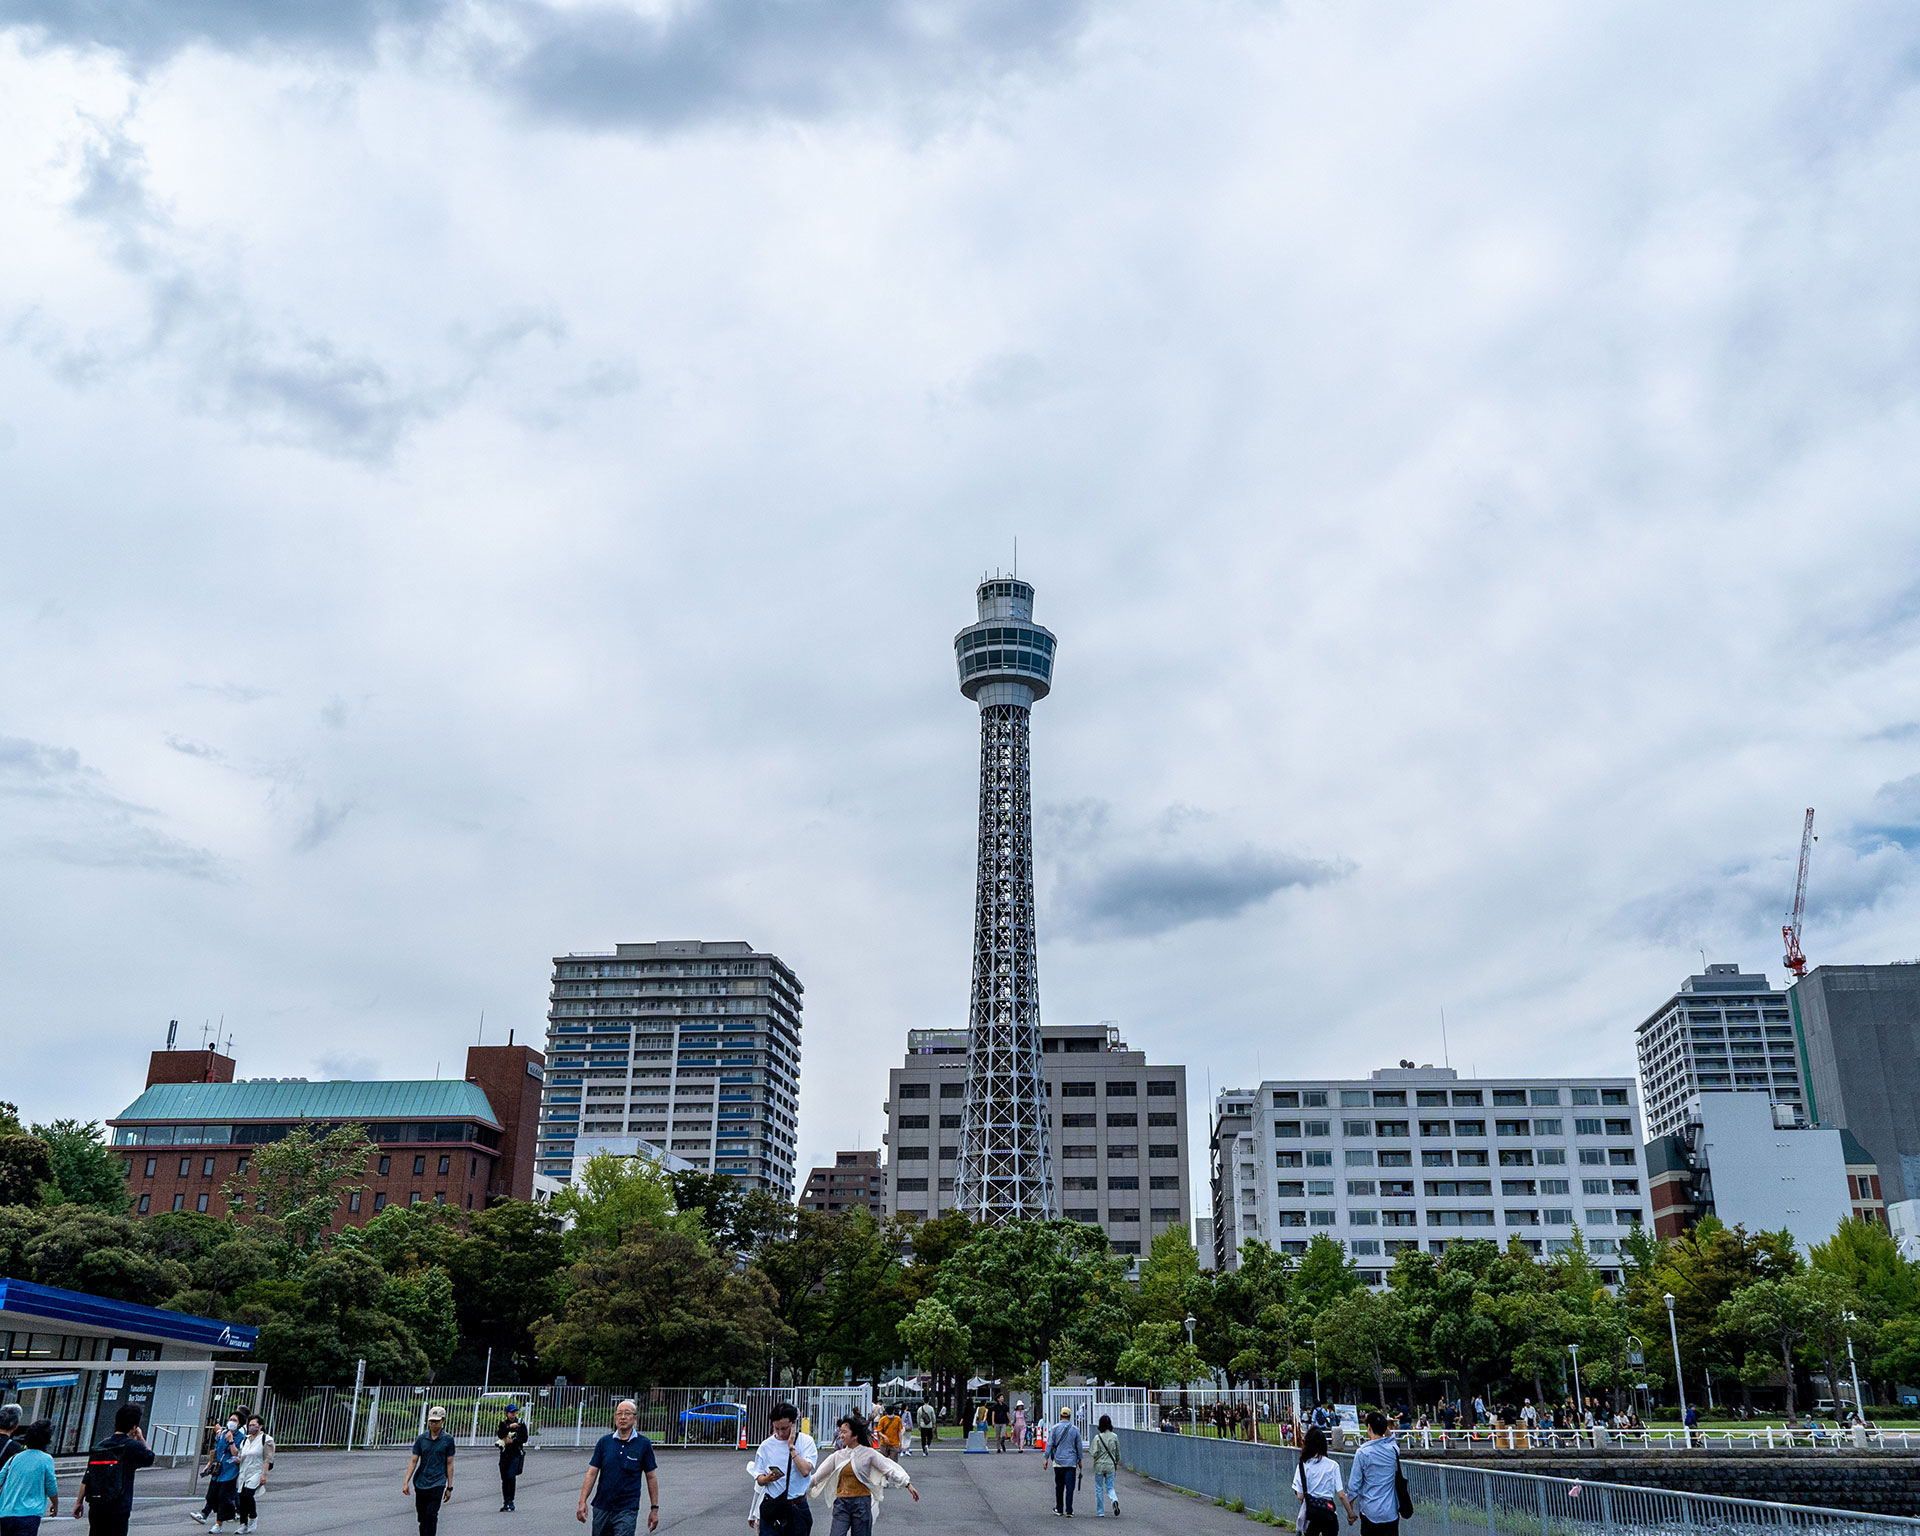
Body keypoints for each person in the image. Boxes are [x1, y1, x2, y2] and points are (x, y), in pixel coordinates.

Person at [807, 1417, 917, 1536]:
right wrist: (799, 1490)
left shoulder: (869, 1454)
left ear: (855, 1436)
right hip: (841, 1503)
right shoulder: (837, 1456)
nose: (841, 1435)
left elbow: (889, 1468)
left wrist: (907, 1484)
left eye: (844, 1432)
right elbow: (817, 1477)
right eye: (840, 1432)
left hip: (861, 1504)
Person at [577, 1399, 658, 1536]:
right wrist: (582, 1501)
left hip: (627, 1509)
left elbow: (651, 1477)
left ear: (635, 1418)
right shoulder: (604, 1443)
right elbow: (592, 1473)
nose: (623, 1417)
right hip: (602, 1507)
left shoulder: (643, 1444)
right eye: (619, 1413)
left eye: (627, 1413)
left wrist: (654, 1508)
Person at [76, 1404, 155, 1536]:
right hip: (119, 1506)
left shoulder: (100, 1446)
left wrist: (79, 1502)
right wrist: (140, 1439)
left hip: (97, 1505)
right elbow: (150, 1458)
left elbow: (88, 1476)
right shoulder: (132, 1446)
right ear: (134, 1427)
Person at [753, 1402, 817, 1536]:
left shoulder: (806, 1442)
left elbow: (805, 1471)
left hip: (796, 1507)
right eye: (776, 1428)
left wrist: (791, 1447)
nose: (780, 1433)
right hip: (773, 1506)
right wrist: (767, 1479)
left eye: (785, 1428)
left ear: (794, 1423)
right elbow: (758, 1478)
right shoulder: (766, 1446)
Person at [1344, 1413, 1400, 1536]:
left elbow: (1354, 1486)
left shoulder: (1363, 1452)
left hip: (1370, 1511)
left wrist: (1350, 1512)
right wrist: (1382, 1423)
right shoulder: (1393, 1449)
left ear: (1369, 1428)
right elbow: (1391, 1438)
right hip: (1390, 1511)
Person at [403, 1407, 456, 1536]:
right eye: (431, 1421)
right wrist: (406, 1482)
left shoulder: (448, 1440)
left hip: (437, 1482)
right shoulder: (422, 1439)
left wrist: (449, 1487)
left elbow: (450, 1464)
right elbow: (414, 1461)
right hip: (421, 1482)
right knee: (422, 1517)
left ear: (443, 1421)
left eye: (436, 1421)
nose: (433, 1424)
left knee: (431, 1514)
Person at [0, 1419, 57, 1536]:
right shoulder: (46, 1459)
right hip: (29, 1513)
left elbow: (0, 1478)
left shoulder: (14, 1458)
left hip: (6, 1512)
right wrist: (55, 1504)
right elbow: (51, 1485)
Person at [1291, 1428, 1352, 1536]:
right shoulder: (1333, 1465)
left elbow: (1300, 1496)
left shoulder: (1302, 1466)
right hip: (1329, 1512)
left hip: (1311, 1514)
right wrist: (1350, 1513)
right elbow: (1341, 1495)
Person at [195, 1414, 244, 1531]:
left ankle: (219, 1523)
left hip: (230, 1471)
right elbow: (216, 1451)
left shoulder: (240, 1437)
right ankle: (231, 1511)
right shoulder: (222, 1434)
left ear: (239, 1424)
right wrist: (209, 1465)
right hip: (218, 1470)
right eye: (230, 1419)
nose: (231, 1422)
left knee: (223, 1496)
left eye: (234, 1420)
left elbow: (236, 1453)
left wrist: (231, 1441)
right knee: (211, 1496)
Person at [235, 1414, 274, 1533]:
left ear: (260, 1426)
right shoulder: (245, 1440)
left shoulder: (266, 1439)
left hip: (257, 1471)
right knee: (241, 1497)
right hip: (244, 1471)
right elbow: (241, 1455)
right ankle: (243, 1523)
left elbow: (268, 1458)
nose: (252, 1427)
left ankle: (253, 1517)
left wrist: (264, 1475)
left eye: (254, 1425)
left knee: (248, 1495)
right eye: (250, 1425)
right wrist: (237, 1459)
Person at [1043, 1407, 1082, 1518]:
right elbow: (1078, 1445)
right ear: (1069, 1417)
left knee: (1059, 1486)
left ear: (1060, 1416)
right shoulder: (1074, 1429)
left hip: (1058, 1461)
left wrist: (1046, 1458)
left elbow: (1049, 1444)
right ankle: (1069, 1510)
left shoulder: (1054, 1428)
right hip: (1071, 1461)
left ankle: (1059, 1508)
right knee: (1070, 1487)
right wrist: (1080, 1459)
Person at [1088, 1415, 1121, 1519]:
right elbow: (1118, 1453)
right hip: (1110, 1465)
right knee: (1110, 1487)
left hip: (1099, 1466)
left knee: (1099, 1488)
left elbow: (1093, 1453)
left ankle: (1100, 1511)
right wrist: (1116, 1462)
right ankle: (1114, 1499)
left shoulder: (1098, 1438)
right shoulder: (1114, 1437)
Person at [497, 1405, 529, 1512]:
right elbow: (500, 1434)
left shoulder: (520, 1423)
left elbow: (524, 1438)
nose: (513, 1414)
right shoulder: (503, 1424)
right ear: (507, 1413)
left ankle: (511, 1501)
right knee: (504, 1478)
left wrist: (514, 1441)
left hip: (515, 1454)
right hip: (504, 1455)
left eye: (514, 1412)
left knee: (511, 1476)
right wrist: (509, 1428)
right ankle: (506, 1501)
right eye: (511, 1412)